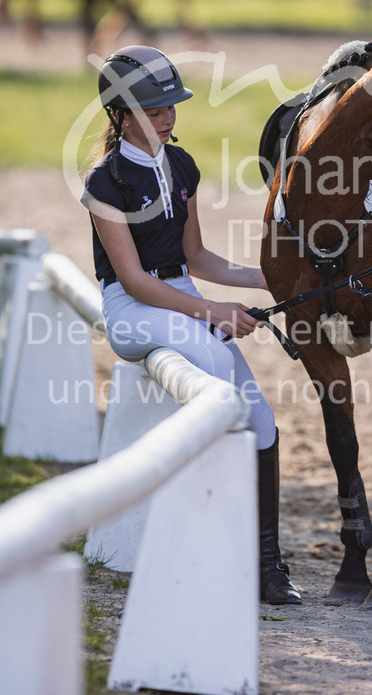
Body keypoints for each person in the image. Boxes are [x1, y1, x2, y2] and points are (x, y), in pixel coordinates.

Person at [81, 44, 302, 606]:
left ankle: (266, 564)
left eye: (170, 107)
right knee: (212, 363)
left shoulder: (182, 166)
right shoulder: (105, 183)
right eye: (154, 110)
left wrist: (268, 281)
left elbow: (198, 260)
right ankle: (208, 542)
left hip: (179, 293)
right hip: (131, 310)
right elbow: (133, 281)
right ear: (121, 115)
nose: (167, 117)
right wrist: (216, 314)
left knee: (260, 419)